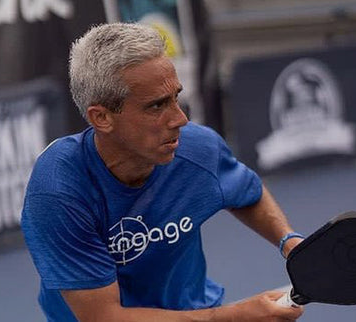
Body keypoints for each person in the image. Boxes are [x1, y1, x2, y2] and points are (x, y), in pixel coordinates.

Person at [21, 22, 305, 322]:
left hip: (195, 310)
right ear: (101, 117)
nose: (180, 119)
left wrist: (289, 241)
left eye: (175, 98)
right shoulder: (58, 189)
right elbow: (104, 317)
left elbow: (249, 194)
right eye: (157, 106)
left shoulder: (197, 148)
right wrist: (232, 317)